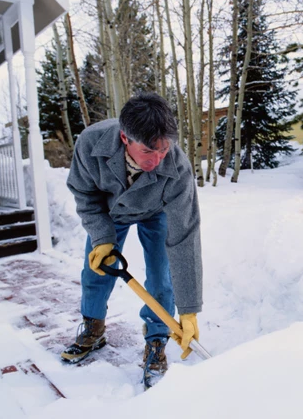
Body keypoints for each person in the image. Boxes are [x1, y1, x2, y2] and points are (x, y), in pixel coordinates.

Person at [61, 92, 203, 385]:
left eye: (164, 150)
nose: (158, 158)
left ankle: (156, 340)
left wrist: (188, 310)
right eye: (149, 151)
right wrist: (102, 237)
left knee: (161, 279)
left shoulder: (176, 167)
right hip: (110, 213)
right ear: (125, 138)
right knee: (96, 272)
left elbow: (184, 236)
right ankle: (93, 328)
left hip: (156, 211)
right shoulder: (91, 143)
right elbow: (85, 193)